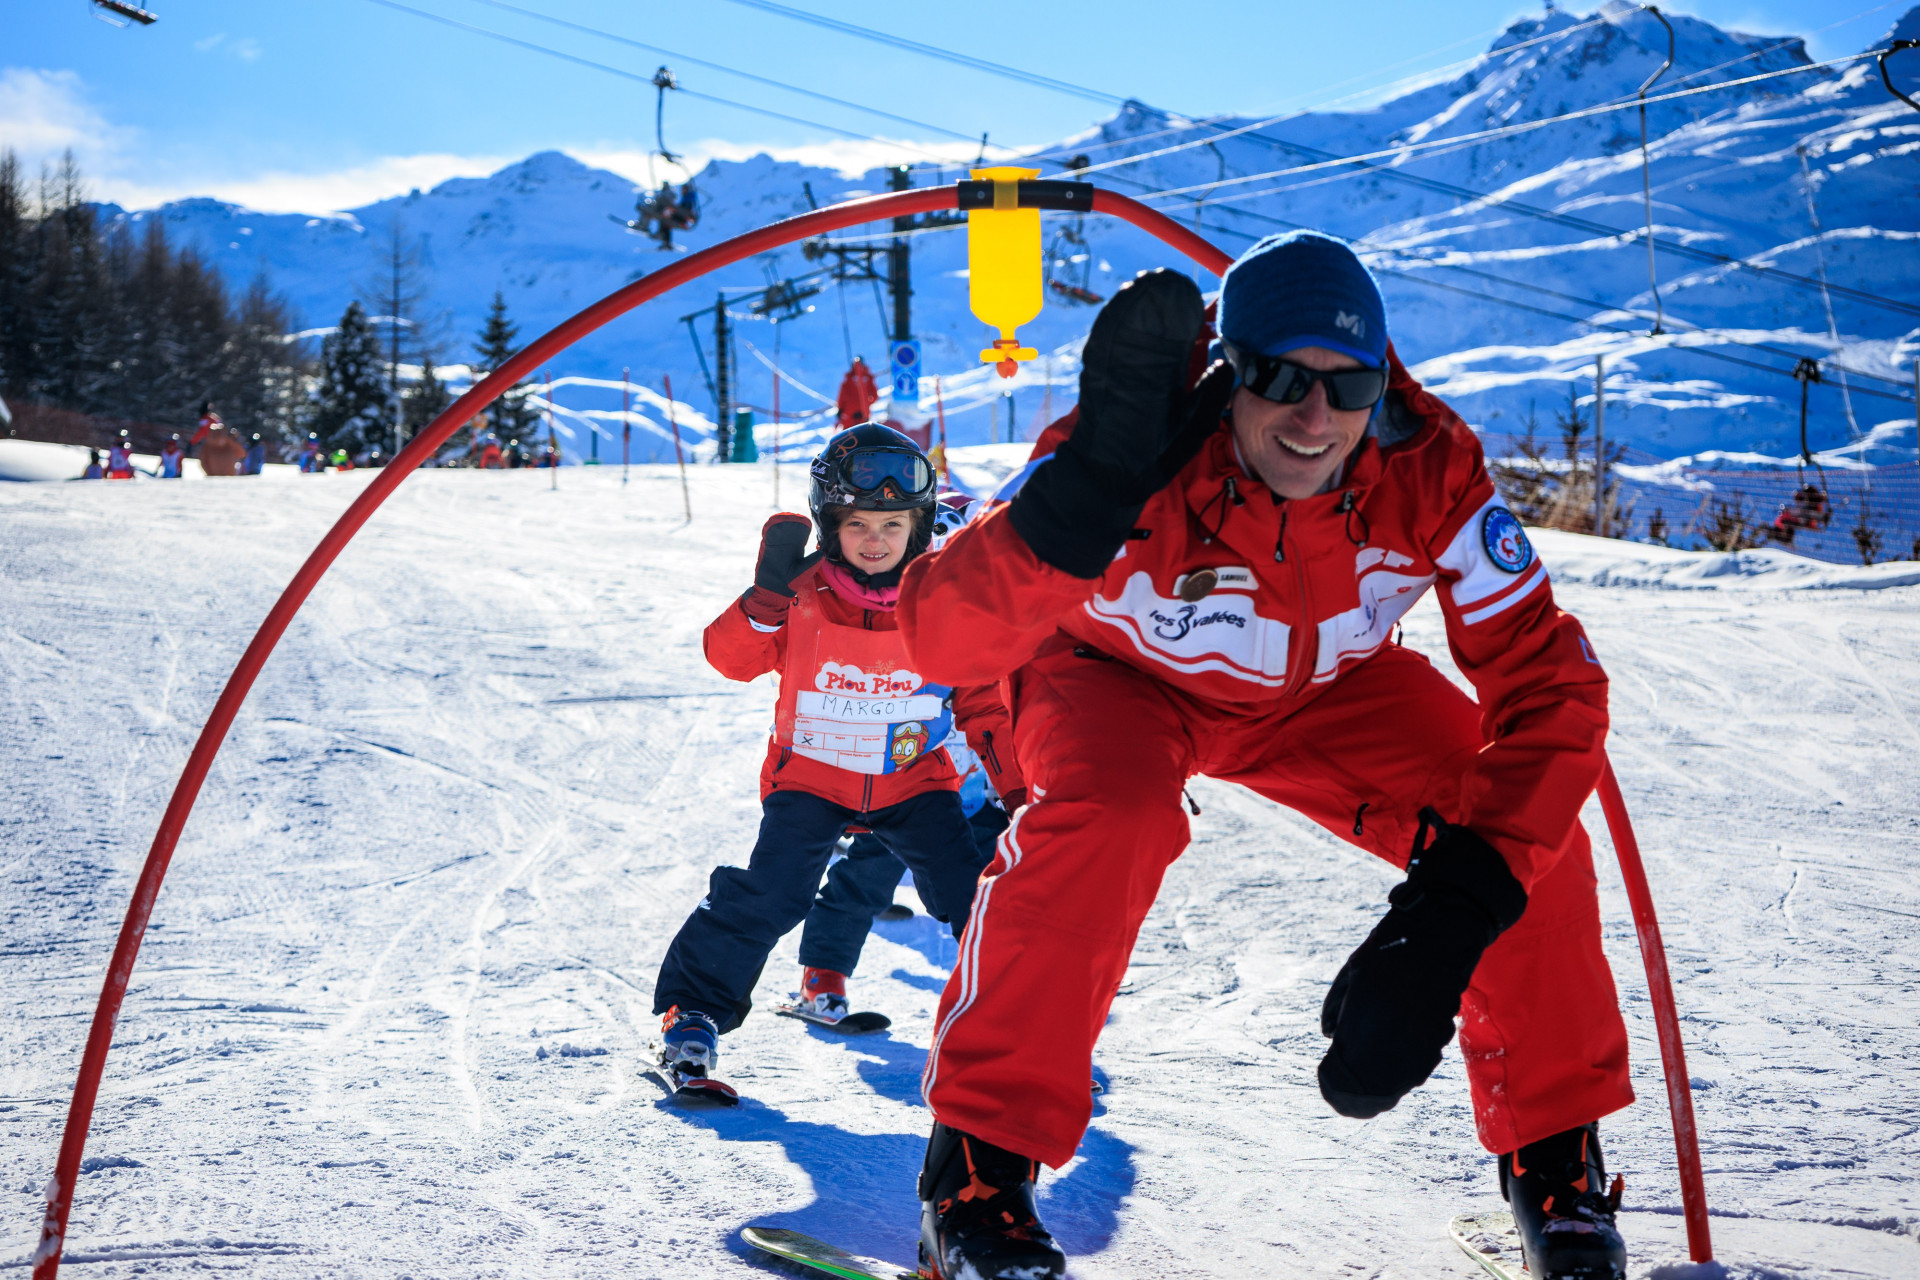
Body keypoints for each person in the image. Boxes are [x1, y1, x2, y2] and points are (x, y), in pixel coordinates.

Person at [896, 238, 1630, 1280]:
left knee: (1529, 841)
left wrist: (1460, 901)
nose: (1314, 416)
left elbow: (1550, 685)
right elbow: (941, 640)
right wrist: (1083, 494)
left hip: (1326, 691)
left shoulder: (1427, 463)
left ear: (1383, 383)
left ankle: (1557, 1179)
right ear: (1225, 371)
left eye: (1348, 386)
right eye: (1281, 378)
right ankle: (973, 1181)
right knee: (1110, 821)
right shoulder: (1136, 440)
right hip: (1118, 676)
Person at [651, 424, 1014, 1078]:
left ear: (919, 525)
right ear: (830, 524)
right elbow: (728, 660)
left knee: (974, 892)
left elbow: (984, 701)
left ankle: (1022, 1028)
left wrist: (1021, 786)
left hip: (913, 783)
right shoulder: (801, 591)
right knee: (772, 893)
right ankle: (691, 1014)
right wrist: (763, 602)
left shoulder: (942, 601)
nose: (875, 541)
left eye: (892, 526)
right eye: (858, 525)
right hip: (811, 781)